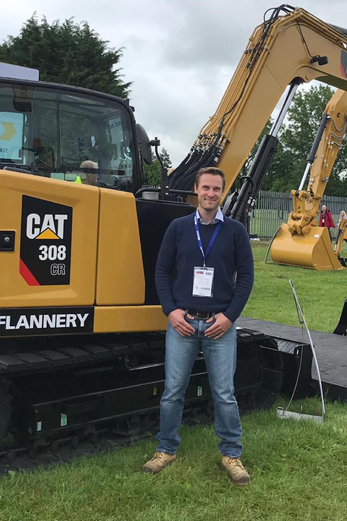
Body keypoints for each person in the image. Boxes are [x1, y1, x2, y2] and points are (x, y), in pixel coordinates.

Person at [142, 166, 254, 486]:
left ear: (223, 192)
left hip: (220, 325)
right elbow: (162, 272)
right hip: (183, 323)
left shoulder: (235, 231)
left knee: (224, 394)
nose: (210, 194)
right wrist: (171, 311)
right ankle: (166, 449)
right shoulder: (178, 228)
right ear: (196, 189)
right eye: (205, 188)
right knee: (172, 391)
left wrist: (230, 316)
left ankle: (231, 454)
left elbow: (245, 278)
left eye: (216, 189)